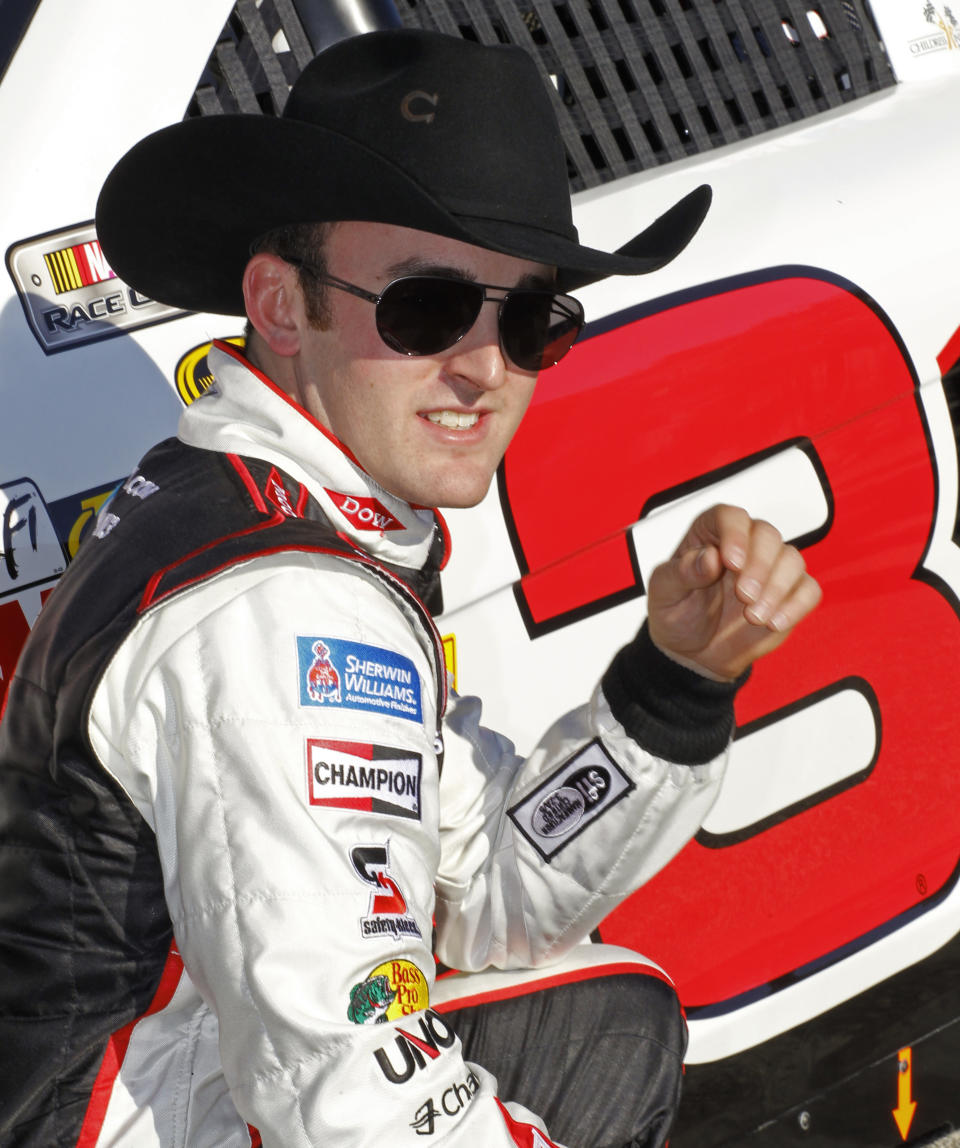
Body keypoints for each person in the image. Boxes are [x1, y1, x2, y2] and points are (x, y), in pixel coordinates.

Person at [0, 28, 820, 1148]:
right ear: (281, 305)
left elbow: (484, 885)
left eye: (531, 318)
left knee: (601, 1019)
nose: (485, 367)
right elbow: (351, 1097)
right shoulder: (282, 607)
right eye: (427, 307)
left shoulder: (267, 506)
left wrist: (673, 685)